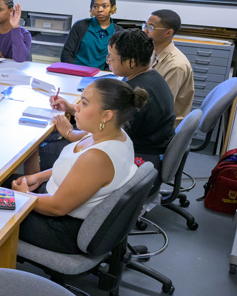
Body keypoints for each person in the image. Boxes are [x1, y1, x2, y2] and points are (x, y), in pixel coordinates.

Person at [10, 78, 143, 254]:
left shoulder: (97, 158)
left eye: (85, 104)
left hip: (60, 228)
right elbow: (73, 169)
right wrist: (38, 177)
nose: (77, 107)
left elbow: (56, 207)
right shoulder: (114, 134)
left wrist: (23, 197)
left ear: (106, 115)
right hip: (58, 204)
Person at [48, 29, 175, 191]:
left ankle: (41, 192)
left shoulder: (133, 94)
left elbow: (105, 136)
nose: (107, 61)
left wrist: (69, 133)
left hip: (138, 158)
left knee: (46, 147)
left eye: (111, 57)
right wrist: (71, 108)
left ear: (131, 62)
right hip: (150, 150)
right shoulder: (150, 77)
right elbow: (105, 121)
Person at [143, 9, 194, 121]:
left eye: (150, 27)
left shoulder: (176, 65)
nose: (145, 31)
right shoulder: (153, 52)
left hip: (162, 125)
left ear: (168, 33)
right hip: (151, 115)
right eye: (145, 26)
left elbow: (161, 107)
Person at [61, 0, 123, 70]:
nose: (99, 10)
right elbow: (66, 55)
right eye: (95, 6)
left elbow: (116, 61)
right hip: (76, 74)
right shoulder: (80, 26)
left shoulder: (119, 33)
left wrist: (102, 76)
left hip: (101, 78)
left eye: (104, 6)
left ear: (112, 8)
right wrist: (74, 72)